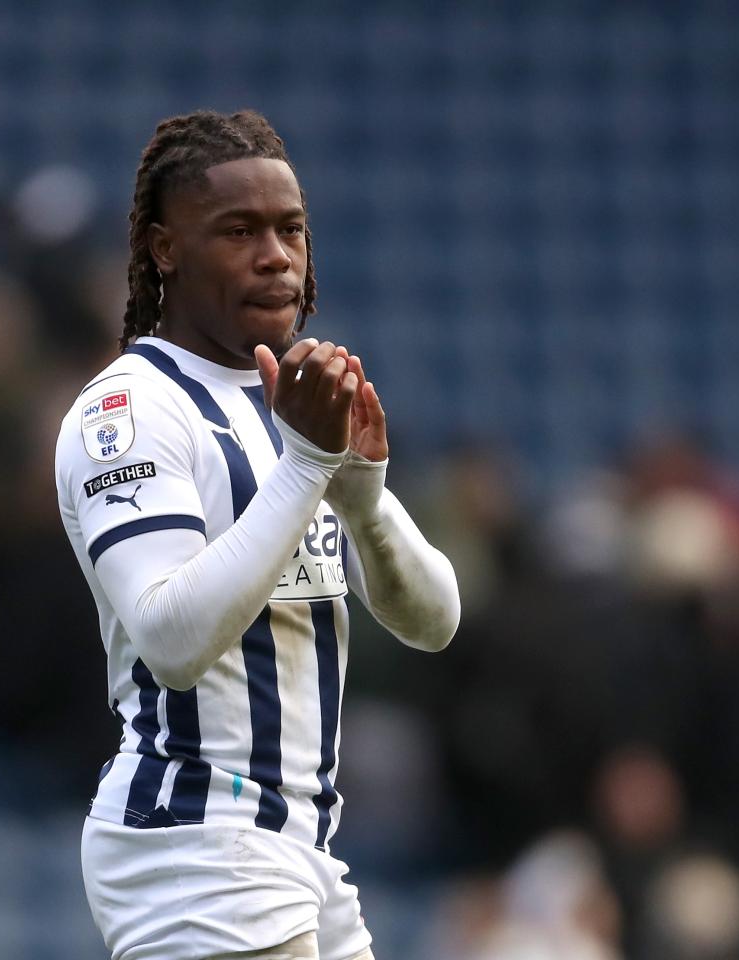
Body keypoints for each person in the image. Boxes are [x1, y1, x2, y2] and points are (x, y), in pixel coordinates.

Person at [54, 110, 460, 960]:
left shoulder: (288, 403)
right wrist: (307, 465)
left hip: (298, 843)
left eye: (290, 229)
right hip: (194, 837)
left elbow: (434, 621)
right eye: (239, 230)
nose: (275, 254)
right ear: (165, 250)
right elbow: (169, 637)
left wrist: (362, 497)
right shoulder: (129, 411)